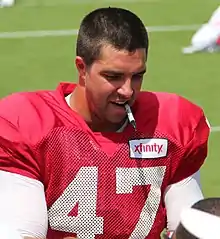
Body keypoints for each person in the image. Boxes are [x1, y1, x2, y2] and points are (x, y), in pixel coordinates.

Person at [0, 7, 210, 239]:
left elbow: (189, 228)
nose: (127, 90)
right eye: (113, 77)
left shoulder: (172, 124)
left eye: (137, 76)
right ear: (82, 68)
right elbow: (19, 233)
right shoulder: (30, 125)